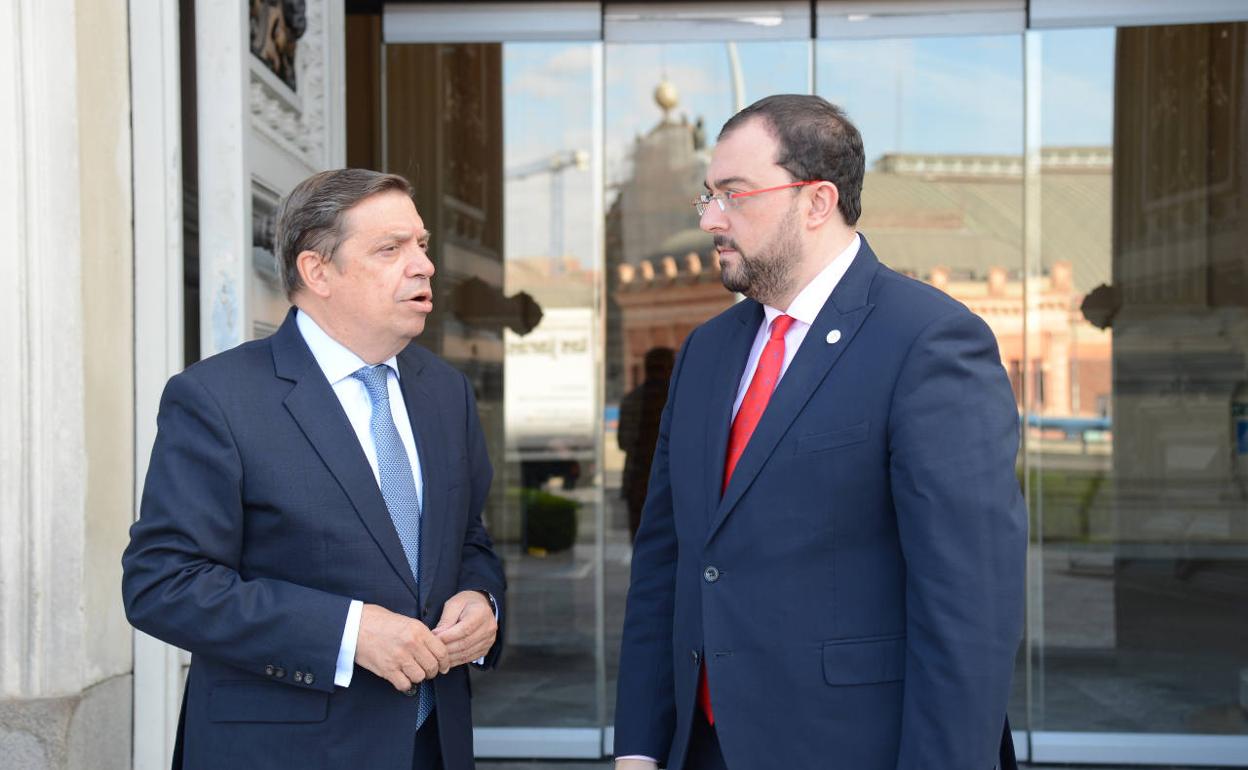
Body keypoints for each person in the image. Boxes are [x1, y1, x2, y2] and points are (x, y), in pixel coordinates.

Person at [613, 95, 1026, 770]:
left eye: (735, 195)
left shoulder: (928, 341)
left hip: (856, 747)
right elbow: (668, 563)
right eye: (707, 197)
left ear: (816, 202)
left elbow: (968, 611)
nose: (712, 218)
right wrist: (637, 745)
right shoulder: (706, 352)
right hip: (702, 748)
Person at [123, 168, 505, 769]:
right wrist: (349, 633)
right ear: (317, 271)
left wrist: (482, 599)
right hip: (284, 750)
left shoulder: (444, 391)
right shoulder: (217, 397)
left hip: (432, 745)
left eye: (422, 245)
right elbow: (163, 584)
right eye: (391, 248)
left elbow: (468, 539)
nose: (424, 265)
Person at [617, 347, 676, 541]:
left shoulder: (632, 399)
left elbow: (623, 442)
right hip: (670, 482)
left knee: (641, 543)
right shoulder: (679, 399)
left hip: (638, 479)